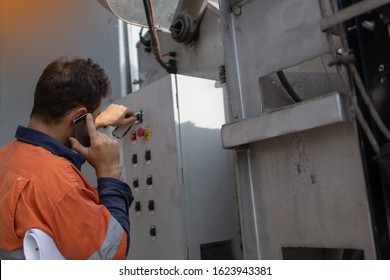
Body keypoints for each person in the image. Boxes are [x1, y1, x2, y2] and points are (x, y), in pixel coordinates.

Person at [0, 56, 136, 259]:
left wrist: (99, 121)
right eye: (93, 116)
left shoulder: (6, 157)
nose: (95, 121)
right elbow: (111, 255)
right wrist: (109, 172)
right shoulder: (62, 186)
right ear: (79, 116)